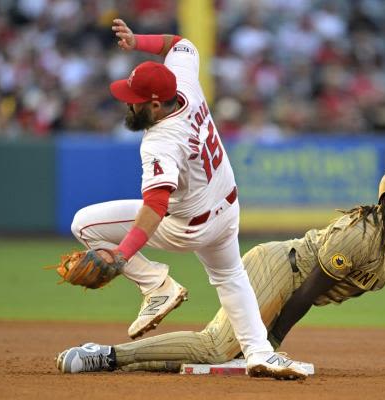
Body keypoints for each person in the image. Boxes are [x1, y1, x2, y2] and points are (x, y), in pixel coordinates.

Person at [56, 166, 385, 377]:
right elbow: (312, 287)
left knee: (225, 350)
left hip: (293, 279)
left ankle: (120, 357)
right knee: (217, 348)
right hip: (280, 268)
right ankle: (103, 354)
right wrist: (268, 346)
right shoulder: (361, 235)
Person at [63, 19, 308, 380]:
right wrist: (138, 41)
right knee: (230, 277)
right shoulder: (185, 83)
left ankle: (157, 286)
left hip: (187, 226)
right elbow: (180, 42)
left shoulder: (161, 140)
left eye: (135, 103)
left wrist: (122, 255)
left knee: (83, 224)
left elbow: (156, 206)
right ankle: (259, 352)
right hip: (225, 209)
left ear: (157, 104)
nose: (129, 108)